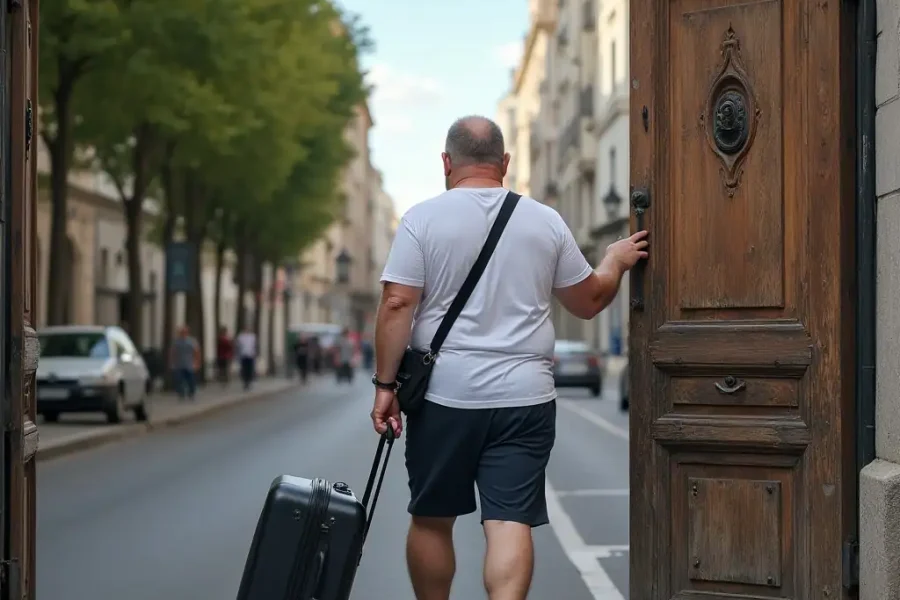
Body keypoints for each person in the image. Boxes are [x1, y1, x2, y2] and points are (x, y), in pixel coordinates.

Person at [370, 116, 648, 600]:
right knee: (508, 522)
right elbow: (588, 302)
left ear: (446, 162)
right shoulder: (544, 221)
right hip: (525, 399)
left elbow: (397, 304)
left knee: (433, 520)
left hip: (443, 398)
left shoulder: (421, 220)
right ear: (505, 163)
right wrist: (614, 260)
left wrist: (385, 387)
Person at [170, 325, 200, 400]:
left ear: (187, 332)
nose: (182, 333)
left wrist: (196, 362)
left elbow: (196, 352)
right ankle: (181, 394)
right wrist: (172, 362)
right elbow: (173, 352)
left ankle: (191, 393)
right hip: (179, 364)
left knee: (191, 380)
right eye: (181, 332)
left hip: (189, 364)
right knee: (179, 380)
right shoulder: (176, 341)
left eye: (184, 332)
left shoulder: (192, 341)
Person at [235, 326, 257, 390]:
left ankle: (249, 382)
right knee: (244, 369)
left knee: (250, 369)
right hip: (243, 355)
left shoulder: (252, 337)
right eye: (246, 329)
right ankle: (245, 382)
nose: (247, 330)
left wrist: (254, 353)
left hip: (250, 355)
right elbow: (238, 346)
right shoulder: (241, 337)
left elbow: (254, 346)